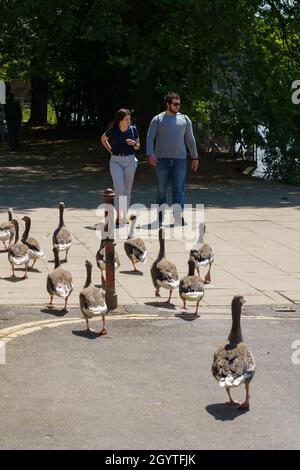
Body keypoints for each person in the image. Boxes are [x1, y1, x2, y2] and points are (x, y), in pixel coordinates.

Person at [146, 92, 199, 225]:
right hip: (161, 160)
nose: (177, 106)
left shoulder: (185, 119)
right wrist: (150, 154)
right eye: (175, 104)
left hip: (180, 160)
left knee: (179, 189)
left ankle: (177, 216)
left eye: (179, 104)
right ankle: (160, 215)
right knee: (161, 189)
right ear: (168, 104)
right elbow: (150, 137)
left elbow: (190, 140)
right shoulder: (157, 119)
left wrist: (195, 157)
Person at [101, 108, 140, 225]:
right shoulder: (113, 130)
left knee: (127, 190)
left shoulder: (133, 129)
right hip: (116, 161)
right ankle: (118, 216)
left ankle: (125, 215)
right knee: (119, 189)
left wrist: (133, 143)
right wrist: (110, 150)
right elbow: (103, 139)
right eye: (126, 119)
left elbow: (138, 146)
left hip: (130, 161)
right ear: (120, 120)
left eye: (129, 119)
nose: (129, 121)